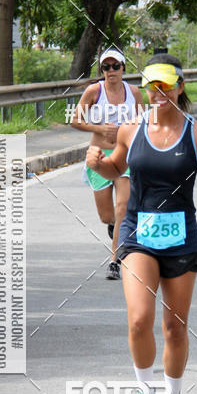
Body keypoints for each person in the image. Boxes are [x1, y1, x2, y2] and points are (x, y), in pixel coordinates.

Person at [86, 54, 197, 394]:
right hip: (138, 233)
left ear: (180, 86)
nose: (158, 92)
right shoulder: (131, 129)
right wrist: (97, 163)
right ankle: (143, 393)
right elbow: (116, 168)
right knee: (138, 321)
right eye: (151, 85)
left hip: (181, 236)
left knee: (175, 327)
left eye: (165, 85)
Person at [71, 47, 143, 280]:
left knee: (123, 208)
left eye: (115, 66)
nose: (111, 71)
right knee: (107, 216)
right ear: (102, 70)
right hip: (99, 156)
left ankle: (115, 260)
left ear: (123, 68)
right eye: (106, 67)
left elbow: (143, 122)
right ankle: (115, 227)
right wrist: (99, 128)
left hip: (126, 157)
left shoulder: (134, 92)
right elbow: (75, 120)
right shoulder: (94, 91)